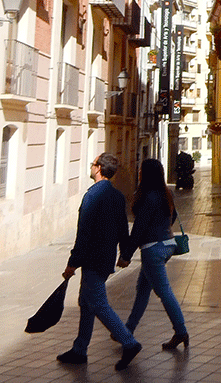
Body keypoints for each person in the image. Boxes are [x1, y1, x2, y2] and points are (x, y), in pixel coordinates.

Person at [58, 153, 142, 371]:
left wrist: (72, 263)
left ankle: (129, 342)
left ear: (99, 169)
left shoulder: (92, 195)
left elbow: (83, 233)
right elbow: (123, 227)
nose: (91, 166)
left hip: (92, 259)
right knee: (86, 302)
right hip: (106, 258)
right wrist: (124, 254)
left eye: (93, 164)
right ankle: (79, 349)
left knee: (98, 304)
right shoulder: (117, 196)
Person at [119, 159, 189, 350]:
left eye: (141, 170)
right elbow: (173, 216)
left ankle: (181, 331)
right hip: (168, 244)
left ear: (145, 174)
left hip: (153, 249)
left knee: (164, 292)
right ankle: (127, 329)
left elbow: (139, 229)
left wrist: (126, 255)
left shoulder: (147, 197)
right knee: (142, 289)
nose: (138, 173)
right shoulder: (167, 193)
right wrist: (161, 229)